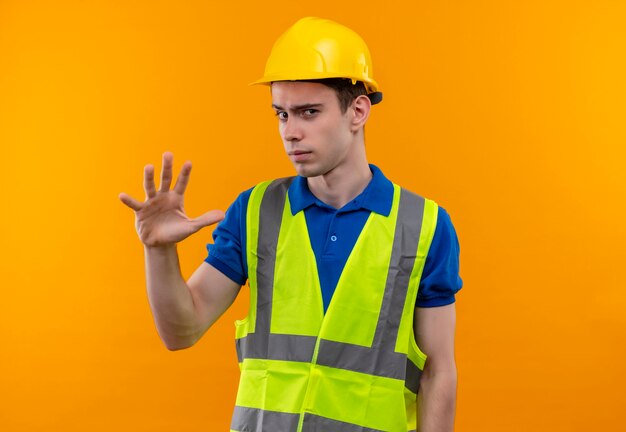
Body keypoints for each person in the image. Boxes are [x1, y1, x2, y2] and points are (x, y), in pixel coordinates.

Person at [120, 17, 461, 432]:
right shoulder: (256, 210)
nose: (290, 132)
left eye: (308, 112)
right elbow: (181, 331)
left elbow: (438, 373)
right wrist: (158, 252)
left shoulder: (423, 226)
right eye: (281, 114)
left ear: (357, 111)